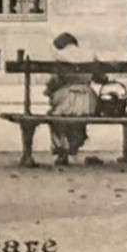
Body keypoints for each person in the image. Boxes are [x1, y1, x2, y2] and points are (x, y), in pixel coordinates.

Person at [43, 32, 101, 166]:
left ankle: (62, 151)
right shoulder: (90, 54)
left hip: (67, 98)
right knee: (78, 116)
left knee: (56, 116)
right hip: (88, 101)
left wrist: (49, 90)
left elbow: (55, 80)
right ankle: (75, 143)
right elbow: (100, 78)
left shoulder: (59, 56)